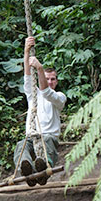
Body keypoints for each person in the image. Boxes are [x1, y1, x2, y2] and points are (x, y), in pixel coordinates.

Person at [13, 36, 67, 186]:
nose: (50, 82)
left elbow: (46, 92)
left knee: (48, 141)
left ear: (56, 82)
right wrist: (26, 52)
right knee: (20, 145)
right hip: (32, 136)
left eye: (53, 79)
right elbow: (27, 77)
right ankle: (27, 169)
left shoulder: (59, 97)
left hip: (48, 137)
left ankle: (44, 167)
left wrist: (40, 68)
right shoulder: (33, 95)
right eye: (47, 78)